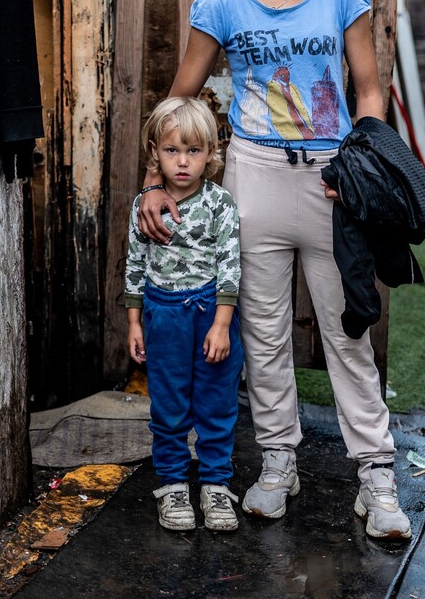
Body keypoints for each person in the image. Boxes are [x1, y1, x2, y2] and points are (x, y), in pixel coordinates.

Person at [136, 0, 412, 540]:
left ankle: (377, 479)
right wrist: (151, 180)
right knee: (260, 335)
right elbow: (182, 100)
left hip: (330, 177)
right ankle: (278, 465)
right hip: (254, 175)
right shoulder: (220, 4)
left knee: (349, 327)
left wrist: (365, 158)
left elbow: (369, 88)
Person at [126, 97, 244, 533]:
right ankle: (174, 485)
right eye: (172, 151)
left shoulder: (220, 205)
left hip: (211, 314)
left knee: (216, 403)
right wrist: (135, 321)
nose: (182, 162)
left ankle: (215, 485)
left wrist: (221, 324)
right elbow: (134, 265)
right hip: (164, 316)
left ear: (211, 154)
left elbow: (230, 266)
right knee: (169, 406)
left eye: (193, 151)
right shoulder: (145, 206)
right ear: (155, 151)